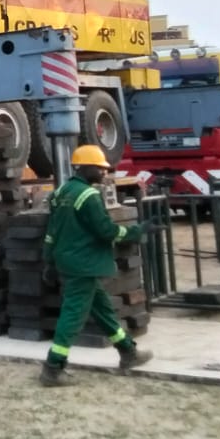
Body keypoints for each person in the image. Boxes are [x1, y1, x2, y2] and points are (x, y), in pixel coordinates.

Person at [39, 145, 154, 387]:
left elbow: (52, 231)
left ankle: (128, 351)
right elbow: (106, 231)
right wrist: (136, 231)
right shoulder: (88, 196)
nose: (104, 172)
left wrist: (48, 260)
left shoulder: (60, 192)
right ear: (86, 167)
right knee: (72, 315)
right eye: (100, 168)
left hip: (68, 262)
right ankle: (53, 367)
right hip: (84, 265)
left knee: (102, 310)